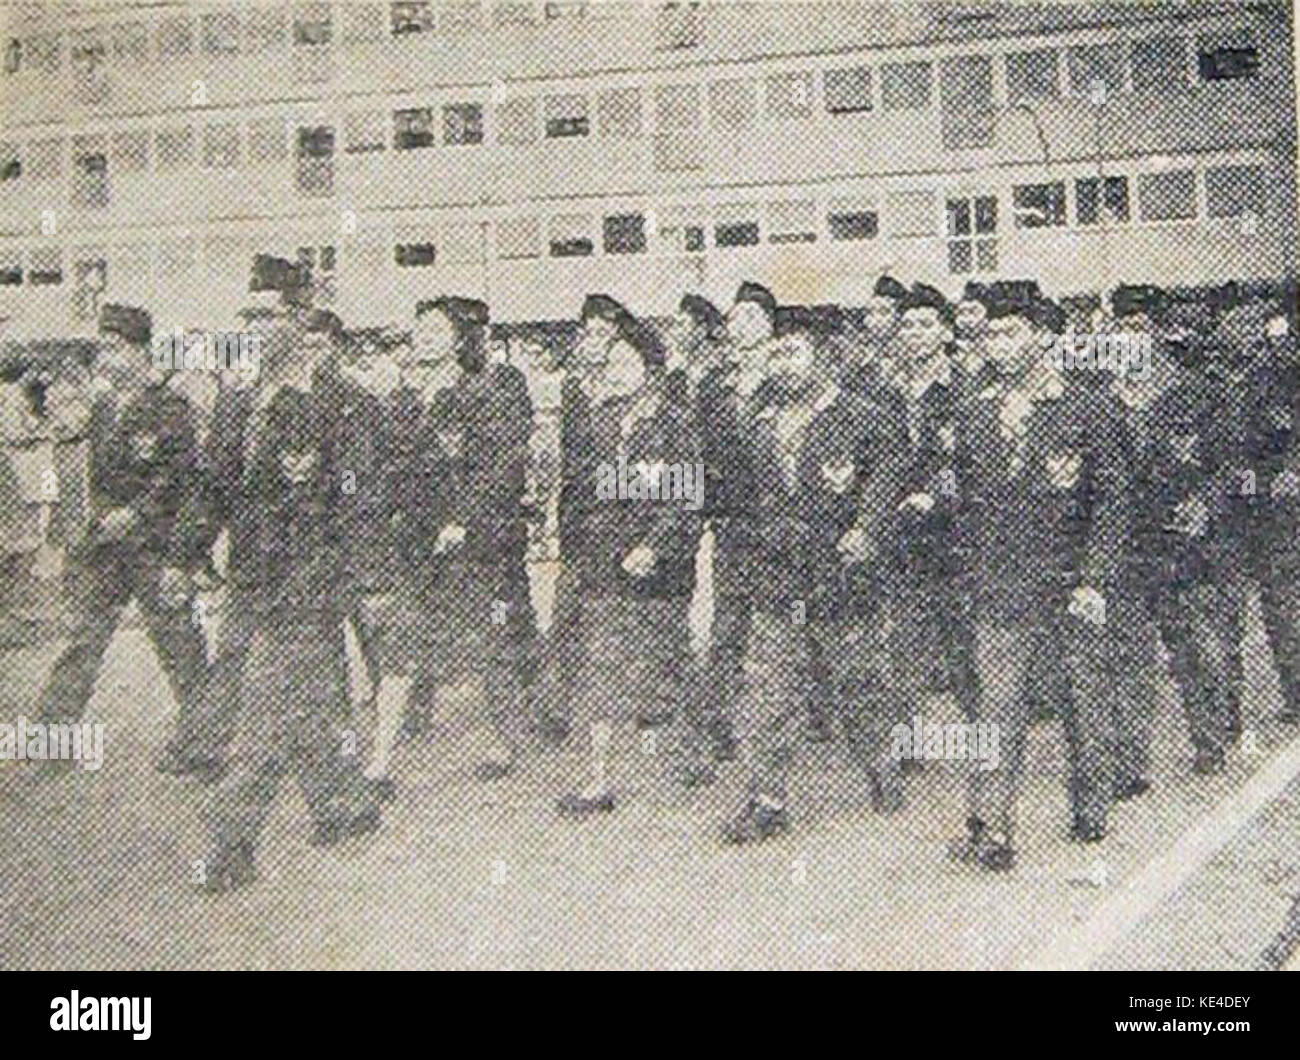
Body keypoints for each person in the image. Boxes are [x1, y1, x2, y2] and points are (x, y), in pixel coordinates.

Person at [948, 292, 1131, 871]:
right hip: (1000, 587)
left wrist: (1096, 579)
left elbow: (1113, 502)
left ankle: (1090, 803)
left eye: (1010, 333)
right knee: (996, 706)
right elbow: (970, 505)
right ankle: (992, 827)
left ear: (1040, 337)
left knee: (1083, 698)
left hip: (1070, 583)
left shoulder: (1086, 407)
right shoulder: (974, 409)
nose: (999, 346)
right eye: (992, 336)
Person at [720, 324, 905, 843]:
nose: (782, 363)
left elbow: (889, 476)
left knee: (858, 685)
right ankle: (767, 799)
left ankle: (881, 766)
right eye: (775, 353)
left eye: (793, 352)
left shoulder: (864, 418)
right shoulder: (758, 424)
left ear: (822, 358)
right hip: (779, 580)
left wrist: (867, 528)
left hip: (842, 577)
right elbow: (747, 499)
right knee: (769, 691)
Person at [201, 387, 380, 893]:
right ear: (273, 448)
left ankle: (340, 807)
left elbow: (353, 547)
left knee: (317, 722)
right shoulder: (261, 497)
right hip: (280, 628)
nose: (298, 462)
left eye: (308, 451)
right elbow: (249, 568)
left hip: (316, 624)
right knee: (268, 734)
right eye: (288, 451)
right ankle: (232, 844)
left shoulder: (334, 489)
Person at [363, 296, 535, 789]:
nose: (426, 337)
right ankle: (379, 762)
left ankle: (505, 739)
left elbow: (500, 468)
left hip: (473, 547)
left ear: (459, 339)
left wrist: (464, 520)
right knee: (399, 646)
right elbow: (383, 470)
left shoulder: (481, 395)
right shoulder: (400, 400)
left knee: (491, 642)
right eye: (421, 329)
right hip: (416, 545)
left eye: (437, 330)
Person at [157, 255, 316, 778]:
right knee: (234, 654)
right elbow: (213, 488)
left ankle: (336, 788)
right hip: (253, 560)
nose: (252, 330)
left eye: (265, 317)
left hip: (310, 563)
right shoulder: (236, 401)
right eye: (247, 319)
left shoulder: (326, 397)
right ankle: (210, 749)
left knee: (314, 676)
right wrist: (184, 556)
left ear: (298, 319)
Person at [32, 305, 207, 755]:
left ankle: (203, 743)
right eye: (102, 348)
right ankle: (53, 740)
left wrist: (138, 514)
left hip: (153, 547)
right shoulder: (104, 406)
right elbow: (97, 476)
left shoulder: (169, 406)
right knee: (83, 642)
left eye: (113, 349)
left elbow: (180, 477)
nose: (105, 358)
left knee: (179, 648)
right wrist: (99, 520)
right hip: (106, 547)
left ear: (138, 350)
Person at [555, 311, 705, 816]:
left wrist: (654, 547)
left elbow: (684, 499)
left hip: (661, 569)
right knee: (602, 663)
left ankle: (688, 750)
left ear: (652, 367)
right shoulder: (598, 422)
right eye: (611, 360)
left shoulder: (677, 424)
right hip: (606, 563)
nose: (615, 369)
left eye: (627, 360)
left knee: (665, 663)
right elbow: (586, 493)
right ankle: (598, 778)